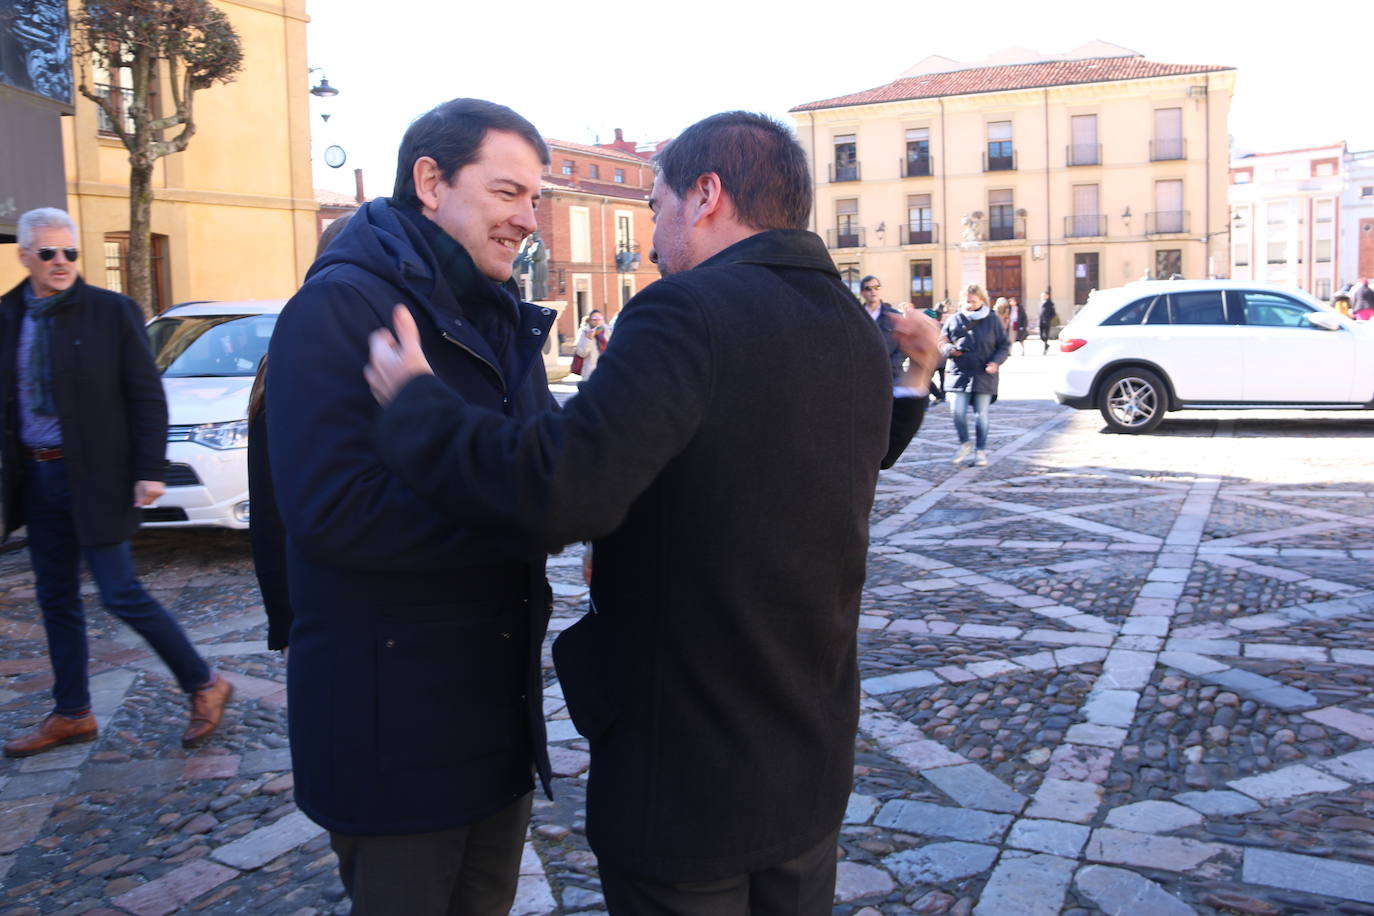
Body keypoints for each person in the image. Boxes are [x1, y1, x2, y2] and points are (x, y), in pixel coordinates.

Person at [363, 111, 941, 915]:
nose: (651, 227)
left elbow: (560, 489)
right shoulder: (848, 322)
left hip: (686, 781)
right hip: (809, 774)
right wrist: (914, 379)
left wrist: (419, 406)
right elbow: (852, 453)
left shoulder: (684, 312)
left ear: (706, 195)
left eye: (656, 202)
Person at [265, 99, 558, 914]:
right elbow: (332, 509)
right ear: (430, 181)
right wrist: (519, 508)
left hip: (494, 718)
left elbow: (544, 458)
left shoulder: (500, 316)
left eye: (534, 199)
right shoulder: (340, 309)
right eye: (507, 193)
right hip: (390, 732)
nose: (526, 220)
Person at [1, 208, 232, 758]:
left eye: (71, 253)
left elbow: (146, 396)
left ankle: (204, 683)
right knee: (55, 597)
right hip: (37, 476)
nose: (61, 263)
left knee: (120, 592)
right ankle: (72, 713)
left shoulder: (111, 312)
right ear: (25, 255)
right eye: (49, 253)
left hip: (96, 475)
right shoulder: (9, 315)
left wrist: (149, 469)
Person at [941, 283, 1010, 468]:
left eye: (972, 301)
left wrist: (995, 362)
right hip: (959, 373)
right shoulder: (954, 319)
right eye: (966, 301)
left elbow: (1004, 345)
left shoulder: (992, 319)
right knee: (957, 412)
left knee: (981, 415)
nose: (969, 304)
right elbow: (942, 340)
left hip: (984, 374)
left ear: (981, 300)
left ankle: (980, 451)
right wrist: (949, 349)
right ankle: (965, 443)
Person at [859, 275, 907, 381]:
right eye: (868, 288)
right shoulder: (856, 316)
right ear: (862, 293)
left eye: (877, 287)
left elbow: (904, 344)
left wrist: (892, 364)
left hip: (891, 375)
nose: (873, 291)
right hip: (864, 374)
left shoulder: (894, 316)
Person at [573, 309, 610, 378]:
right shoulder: (584, 332)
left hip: (607, 370)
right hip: (591, 372)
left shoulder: (607, 331)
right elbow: (582, 353)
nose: (597, 321)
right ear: (590, 320)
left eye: (600, 318)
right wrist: (588, 339)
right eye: (594, 319)